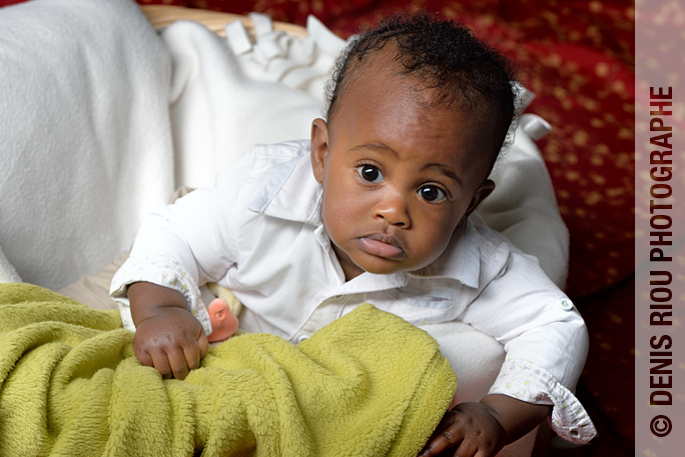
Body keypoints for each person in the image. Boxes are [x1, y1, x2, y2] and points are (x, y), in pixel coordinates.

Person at [110, 12, 595, 457]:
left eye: (431, 191)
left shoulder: (480, 267)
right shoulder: (263, 193)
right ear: (322, 153)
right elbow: (172, 233)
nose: (392, 210)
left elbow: (555, 326)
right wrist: (162, 310)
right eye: (369, 172)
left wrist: (496, 414)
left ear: (471, 201)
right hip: (221, 365)